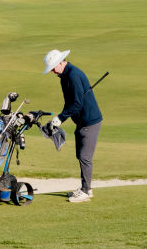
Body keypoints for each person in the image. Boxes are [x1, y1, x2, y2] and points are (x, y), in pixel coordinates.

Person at [43, 48, 103, 203]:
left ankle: (85, 191)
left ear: (60, 63)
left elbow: (76, 103)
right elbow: (69, 103)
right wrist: (59, 118)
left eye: (53, 68)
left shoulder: (74, 75)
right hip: (81, 121)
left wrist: (60, 119)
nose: (52, 72)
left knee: (85, 157)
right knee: (80, 155)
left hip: (90, 121)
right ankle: (86, 188)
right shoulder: (64, 76)